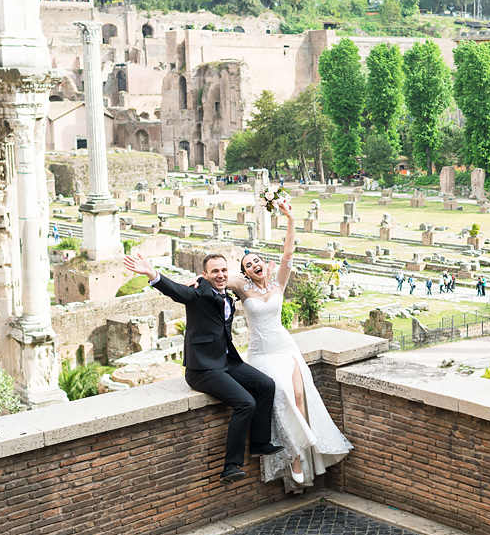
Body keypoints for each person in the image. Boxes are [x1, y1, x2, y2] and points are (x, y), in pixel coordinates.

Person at [122, 252, 281, 484]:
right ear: (205, 274)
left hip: (227, 362)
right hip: (203, 370)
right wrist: (153, 274)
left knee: (266, 385)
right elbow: (177, 291)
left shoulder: (228, 295)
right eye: (215, 271)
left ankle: (259, 443)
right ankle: (231, 466)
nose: (220, 275)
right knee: (246, 402)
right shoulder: (197, 293)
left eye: (224, 270)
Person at [230, 200, 352, 490]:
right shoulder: (241, 287)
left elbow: (288, 253)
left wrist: (290, 219)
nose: (254, 265)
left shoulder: (277, 285)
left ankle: (302, 454)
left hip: (285, 347)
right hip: (262, 353)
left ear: (263, 264)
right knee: (282, 396)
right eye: (248, 264)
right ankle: (294, 456)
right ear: (245, 272)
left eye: (256, 260)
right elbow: (221, 278)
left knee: (299, 396)